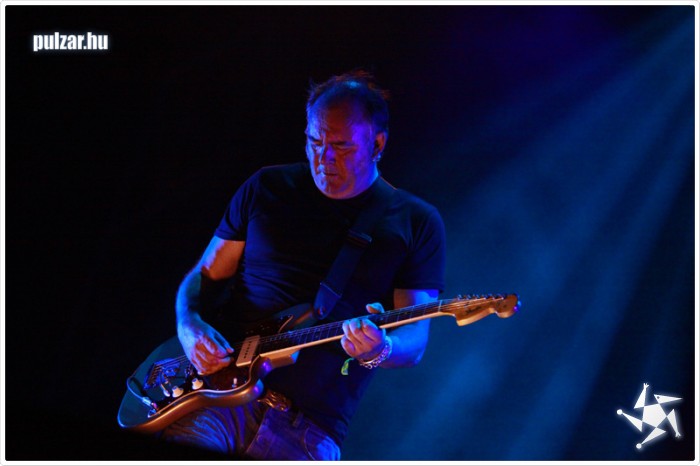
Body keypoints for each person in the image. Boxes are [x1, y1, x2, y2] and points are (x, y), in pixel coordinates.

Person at [160, 70, 446, 460]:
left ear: (378, 143)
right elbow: (205, 275)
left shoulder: (416, 222)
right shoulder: (266, 187)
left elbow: (415, 339)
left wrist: (380, 349)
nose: (323, 158)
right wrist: (188, 324)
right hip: (216, 401)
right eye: (314, 141)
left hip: (308, 431)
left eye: (341, 146)